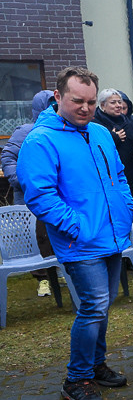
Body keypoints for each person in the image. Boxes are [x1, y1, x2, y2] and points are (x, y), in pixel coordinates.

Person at [18, 66, 133, 400]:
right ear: (58, 97)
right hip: (81, 242)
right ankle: (77, 378)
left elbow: (119, 175)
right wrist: (76, 226)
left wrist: (126, 209)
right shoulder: (41, 140)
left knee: (102, 306)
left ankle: (95, 365)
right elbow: (40, 195)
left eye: (90, 102)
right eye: (77, 101)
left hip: (111, 234)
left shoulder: (99, 132)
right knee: (94, 306)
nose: (85, 108)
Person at [1, 89, 57, 297]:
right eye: (49, 104)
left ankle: (58, 272)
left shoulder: (60, 130)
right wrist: (22, 181)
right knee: (37, 237)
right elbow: (8, 157)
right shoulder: (26, 131)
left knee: (54, 233)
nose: (53, 108)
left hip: (53, 196)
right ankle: (43, 279)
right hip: (28, 197)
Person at [92, 89, 133, 209]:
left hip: (130, 173)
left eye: (119, 102)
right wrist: (113, 138)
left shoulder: (127, 121)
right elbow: (96, 148)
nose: (118, 105)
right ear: (103, 105)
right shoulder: (95, 124)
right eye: (113, 102)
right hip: (109, 176)